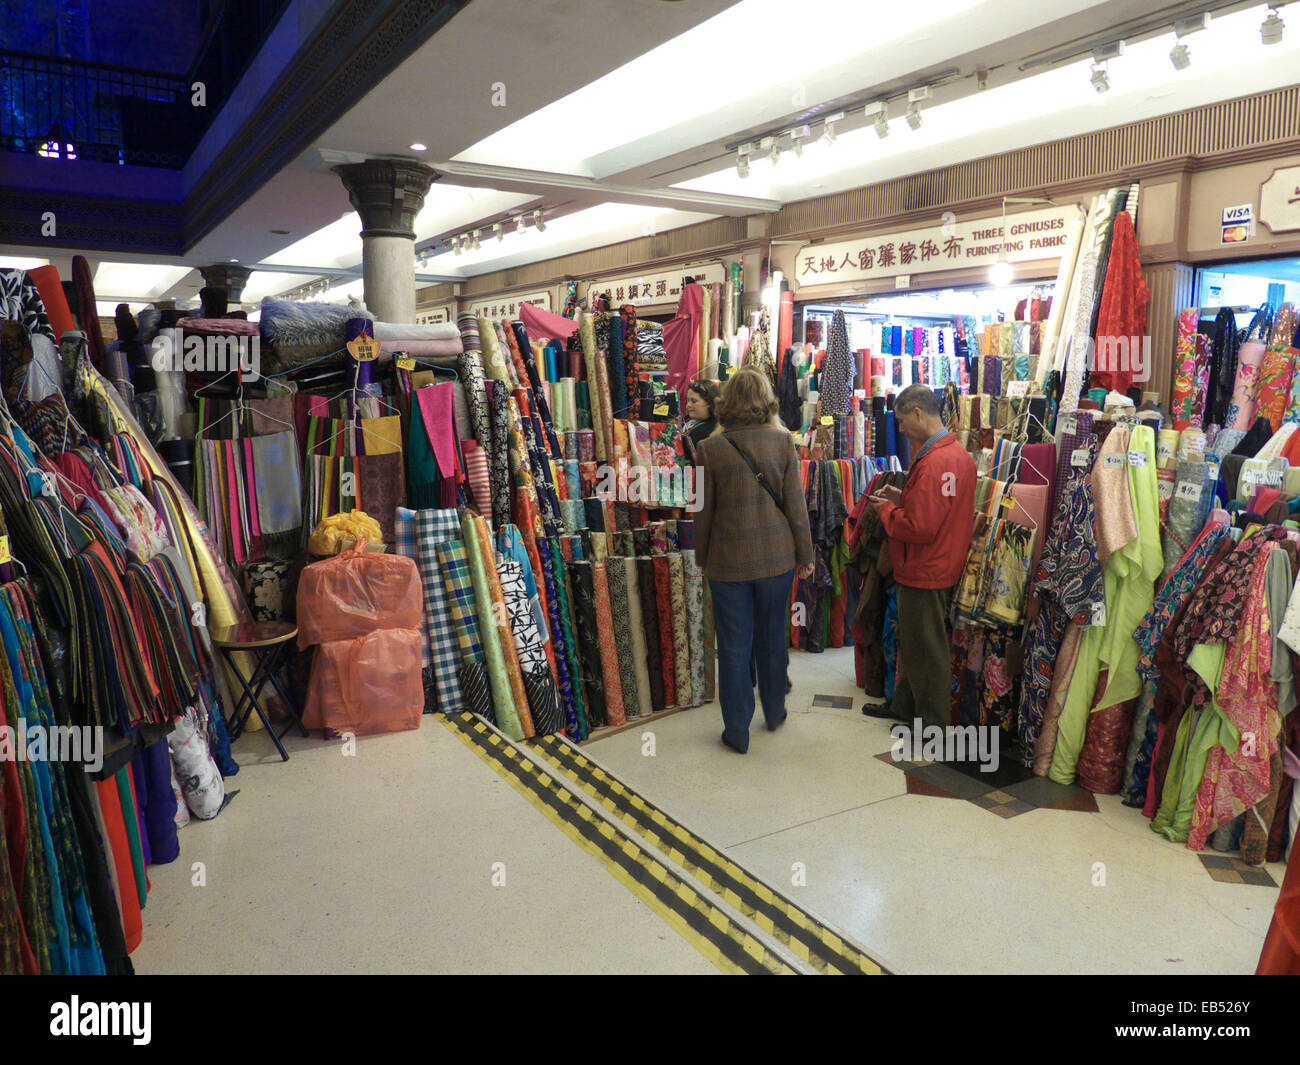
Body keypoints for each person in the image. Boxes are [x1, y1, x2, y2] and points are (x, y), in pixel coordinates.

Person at [695, 369, 813, 753]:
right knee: (772, 637)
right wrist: (805, 554)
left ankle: (737, 731)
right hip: (776, 559)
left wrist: (701, 558)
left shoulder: (709, 449)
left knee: (732, 645)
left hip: (727, 563)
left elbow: (703, 512)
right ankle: (775, 710)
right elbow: (796, 506)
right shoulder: (783, 442)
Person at [865, 383, 976, 728]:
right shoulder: (956, 455)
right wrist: (902, 497)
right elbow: (938, 511)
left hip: (924, 567)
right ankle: (904, 707)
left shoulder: (934, 461)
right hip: (937, 563)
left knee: (926, 650)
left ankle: (934, 726)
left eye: (900, 421)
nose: (899, 429)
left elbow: (920, 527)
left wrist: (886, 511)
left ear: (917, 413)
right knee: (915, 644)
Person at [683, 379, 719, 462]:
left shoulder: (707, 433)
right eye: (688, 400)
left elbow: (702, 468)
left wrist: (698, 475)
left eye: (694, 401)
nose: (688, 405)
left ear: (709, 403)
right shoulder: (691, 423)